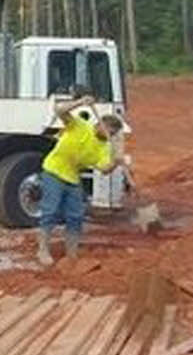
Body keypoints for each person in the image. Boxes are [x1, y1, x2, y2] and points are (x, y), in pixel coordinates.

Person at [36, 96, 128, 265]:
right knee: (51, 210)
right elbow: (59, 110)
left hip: (72, 177)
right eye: (110, 131)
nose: (111, 135)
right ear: (101, 125)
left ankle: (72, 253)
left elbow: (104, 170)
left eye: (114, 134)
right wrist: (79, 102)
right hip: (54, 171)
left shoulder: (104, 147)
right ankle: (43, 250)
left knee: (76, 215)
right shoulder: (80, 126)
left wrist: (116, 161)